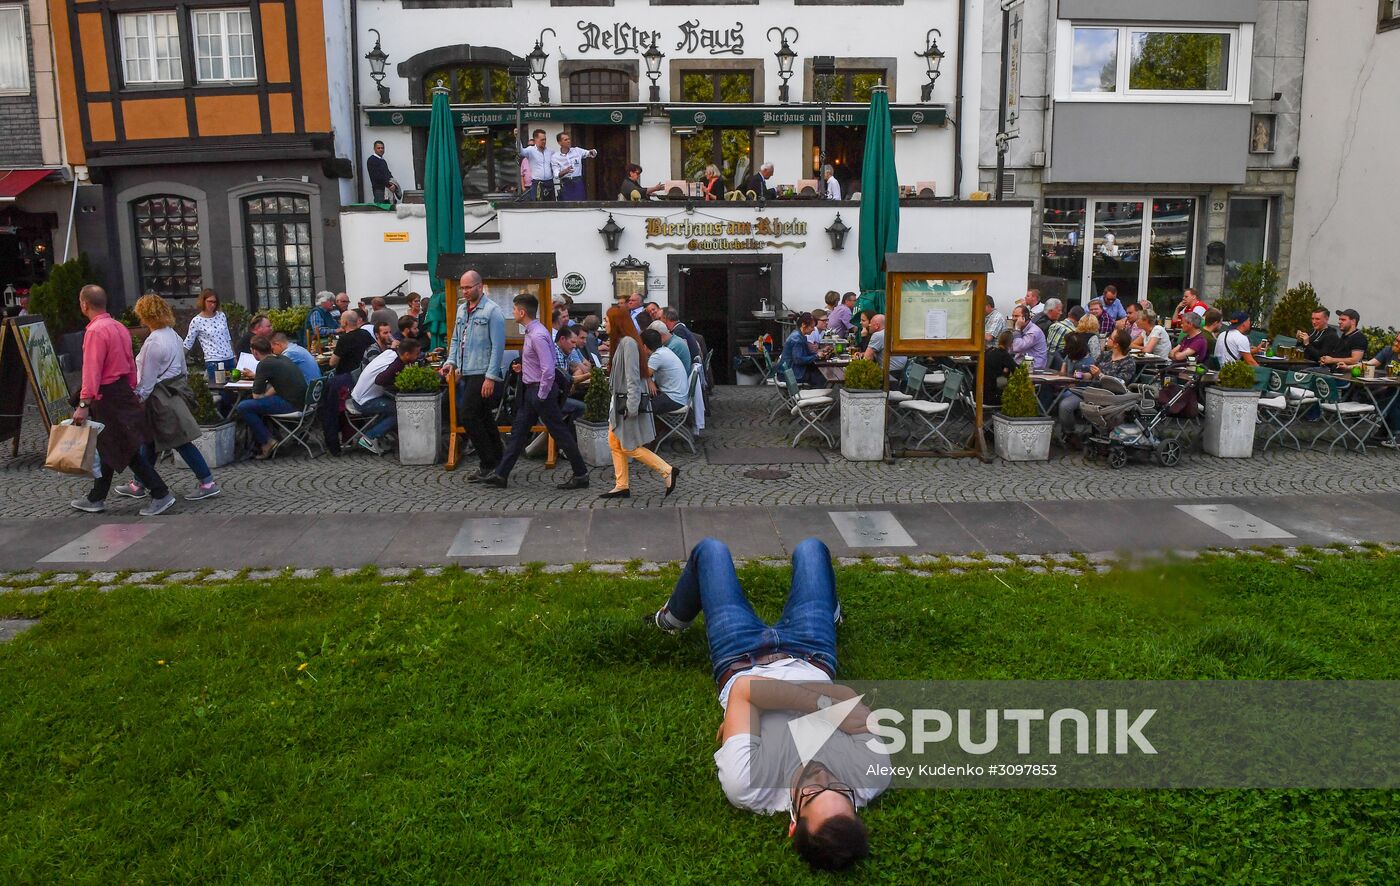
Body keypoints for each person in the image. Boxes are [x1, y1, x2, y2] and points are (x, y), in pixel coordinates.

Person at [642, 537, 888, 872]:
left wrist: (820, 707)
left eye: (813, 792)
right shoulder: (871, 773)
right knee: (812, 549)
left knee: (710, 550)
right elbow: (845, 694)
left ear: (793, 824)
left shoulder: (748, 784)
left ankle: (671, 620)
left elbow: (745, 688)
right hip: (811, 653)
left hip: (741, 657)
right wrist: (760, 704)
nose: (823, 775)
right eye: (840, 790)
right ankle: (831, 613)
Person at [68, 285, 176, 516]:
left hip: (106, 395)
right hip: (121, 391)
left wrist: (84, 404)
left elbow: (92, 371)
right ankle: (96, 497)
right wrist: (131, 390)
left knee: (123, 447)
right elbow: (130, 363)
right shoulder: (119, 327)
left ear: (84, 304)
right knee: (110, 444)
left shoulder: (95, 331)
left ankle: (160, 493)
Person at [479, 294, 590, 490]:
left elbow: (548, 368)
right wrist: (524, 369)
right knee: (519, 433)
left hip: (539, 391)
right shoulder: (534, 332)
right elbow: (541, 364)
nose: (513, 312)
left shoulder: (537, 335)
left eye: (515, 309)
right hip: (533, 390)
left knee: (559, 432)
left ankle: (581, 474)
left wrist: (541, 394)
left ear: (522, 312)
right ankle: (501, 474)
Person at [117, 294, 219, 502]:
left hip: (159, 398)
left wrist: (134, 401)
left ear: (145, 316)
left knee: (179, 442)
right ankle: (138, 483)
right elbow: (183, 370)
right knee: (151, 441)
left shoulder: (153, 343)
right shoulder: (174, 336)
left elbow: (146, 382)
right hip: (173, 393)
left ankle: (207, 482)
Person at [599, 306, 677, 500]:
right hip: (620, 401)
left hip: (625, 403)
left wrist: (631, 408)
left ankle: (667, 470)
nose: (604, 324)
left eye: (607, 320)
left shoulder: (628, 344)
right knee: (615, 442)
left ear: (616, 322)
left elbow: (633, 378)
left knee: (628, 446)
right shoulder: (624, 342)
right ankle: (621, 485)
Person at [439, 270, 506, 481]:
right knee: (483, 416)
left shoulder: (492, 311)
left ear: (479, 286)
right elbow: (456, 340)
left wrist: (490, 377)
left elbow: (498, 347)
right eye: (462, 288)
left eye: (468, 287)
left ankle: (488, 462)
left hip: (482, 371)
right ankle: (498, 459)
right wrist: (451, 362)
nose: (465, 291)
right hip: (467, 370)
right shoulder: (462, 309)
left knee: (468, 415)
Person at [235, 334, 309, 460]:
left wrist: (263, 395)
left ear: (254, 352)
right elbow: (275, 386)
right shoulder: (282, 358)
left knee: (243, 406)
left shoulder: (264, 364)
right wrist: (265, 395)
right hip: (303, 402)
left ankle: (267, 441)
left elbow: (256, 395)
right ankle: (269, 437)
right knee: (255, 405)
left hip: (291, 404)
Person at [1057, 328, 1137, 442]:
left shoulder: (1128, 362)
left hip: (1109, 397)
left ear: (1116, 344)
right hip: (1091, 391)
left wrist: (1100, 375)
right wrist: (1082, 375)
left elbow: (1120, 383)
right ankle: (1070, 434)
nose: (1107, 339)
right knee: (1065, 406)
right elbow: (1091, 374)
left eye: (1110, 338)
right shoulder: (1105, 355)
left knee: (1067, 404)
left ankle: (1099, 437)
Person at [352, 336, 419, 455]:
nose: (417, 357)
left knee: (394, 406)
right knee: (400, 411)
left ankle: (378, 434)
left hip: (359, 395)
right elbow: (380, 380)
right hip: (364, 401)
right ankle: (369, 437)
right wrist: (400, 383)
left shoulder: (392, 352)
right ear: (407, 354)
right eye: (416, 354)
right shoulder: (396, 364)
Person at [183, 288, 235, 383]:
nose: (212, 305)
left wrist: (234, 355)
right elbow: (188, 343)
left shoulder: (221, 315)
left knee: (233, 386)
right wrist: (178, 359)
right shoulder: (197, 321)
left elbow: (227, 337)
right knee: (219, 387)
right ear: (203, 301)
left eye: (214, 302)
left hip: (229, 358)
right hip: (214, 360)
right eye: (209, 302)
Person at [643, 328, 690, 414]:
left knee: (643, 407)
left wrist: (649, 380)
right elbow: (647, 375)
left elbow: (642, 375)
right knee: (647, 399)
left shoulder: (657, 356)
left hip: (674, 399)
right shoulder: (664, 350)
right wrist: (650, 381)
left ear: (644, 347)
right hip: (680, 397)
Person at [550, 132, 597, 201]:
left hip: (578, 182)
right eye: (565, 140)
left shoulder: (577, 150)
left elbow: (590, 154)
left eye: (569, 139)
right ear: (559, 143)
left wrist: (592, 152)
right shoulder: (555, 157)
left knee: (580, 203)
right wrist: (564, 171)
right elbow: (556, 175)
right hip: (566, 183)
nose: (568, 141)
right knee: (567, 205)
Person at [783, 312, 824, 387]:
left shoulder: (799, 335)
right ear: (803, 325)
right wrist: (816, 356)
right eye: (812, 327)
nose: (813, 330)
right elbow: (798, 360)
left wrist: (819, 353)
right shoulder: (797, 339)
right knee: (821, 377)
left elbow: (805, 354)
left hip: (790, 370)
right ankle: (815, 393)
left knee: (818, 371)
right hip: (792, 374)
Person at [330, 310, 374, 375]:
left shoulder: (344, 339)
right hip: (364, 371)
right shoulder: (365, 333)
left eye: (341, 319)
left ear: (345, 322)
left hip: (347, 375)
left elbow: (332, 363)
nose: (339, 321)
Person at [519, 129, 556, 201]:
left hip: (549, 182)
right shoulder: (530, 150)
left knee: (551, 204)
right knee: (537, 204)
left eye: (545, 139)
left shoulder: (551, 151)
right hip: (537, 183)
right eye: (542, 140)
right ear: (535, 139)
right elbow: (521, 151)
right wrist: (517, 138)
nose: (544, 142)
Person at [984, 329, 1017, 405]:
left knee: (1002, 376)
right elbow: (1017, 371)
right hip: (992, 397)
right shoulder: (1004, 355)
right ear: (1011, 343)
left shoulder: (989, 351)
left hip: (979, 395)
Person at [1009, 304, 1047, 370]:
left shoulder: (1033, 332)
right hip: (1021, 364)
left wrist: (1017, 329)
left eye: (1016, 316)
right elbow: (1011, 349)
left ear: (1025, 317)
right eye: (1013, 316)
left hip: (1034, 368)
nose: (1013, 319)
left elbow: (1017, 347)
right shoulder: (1021, 329)